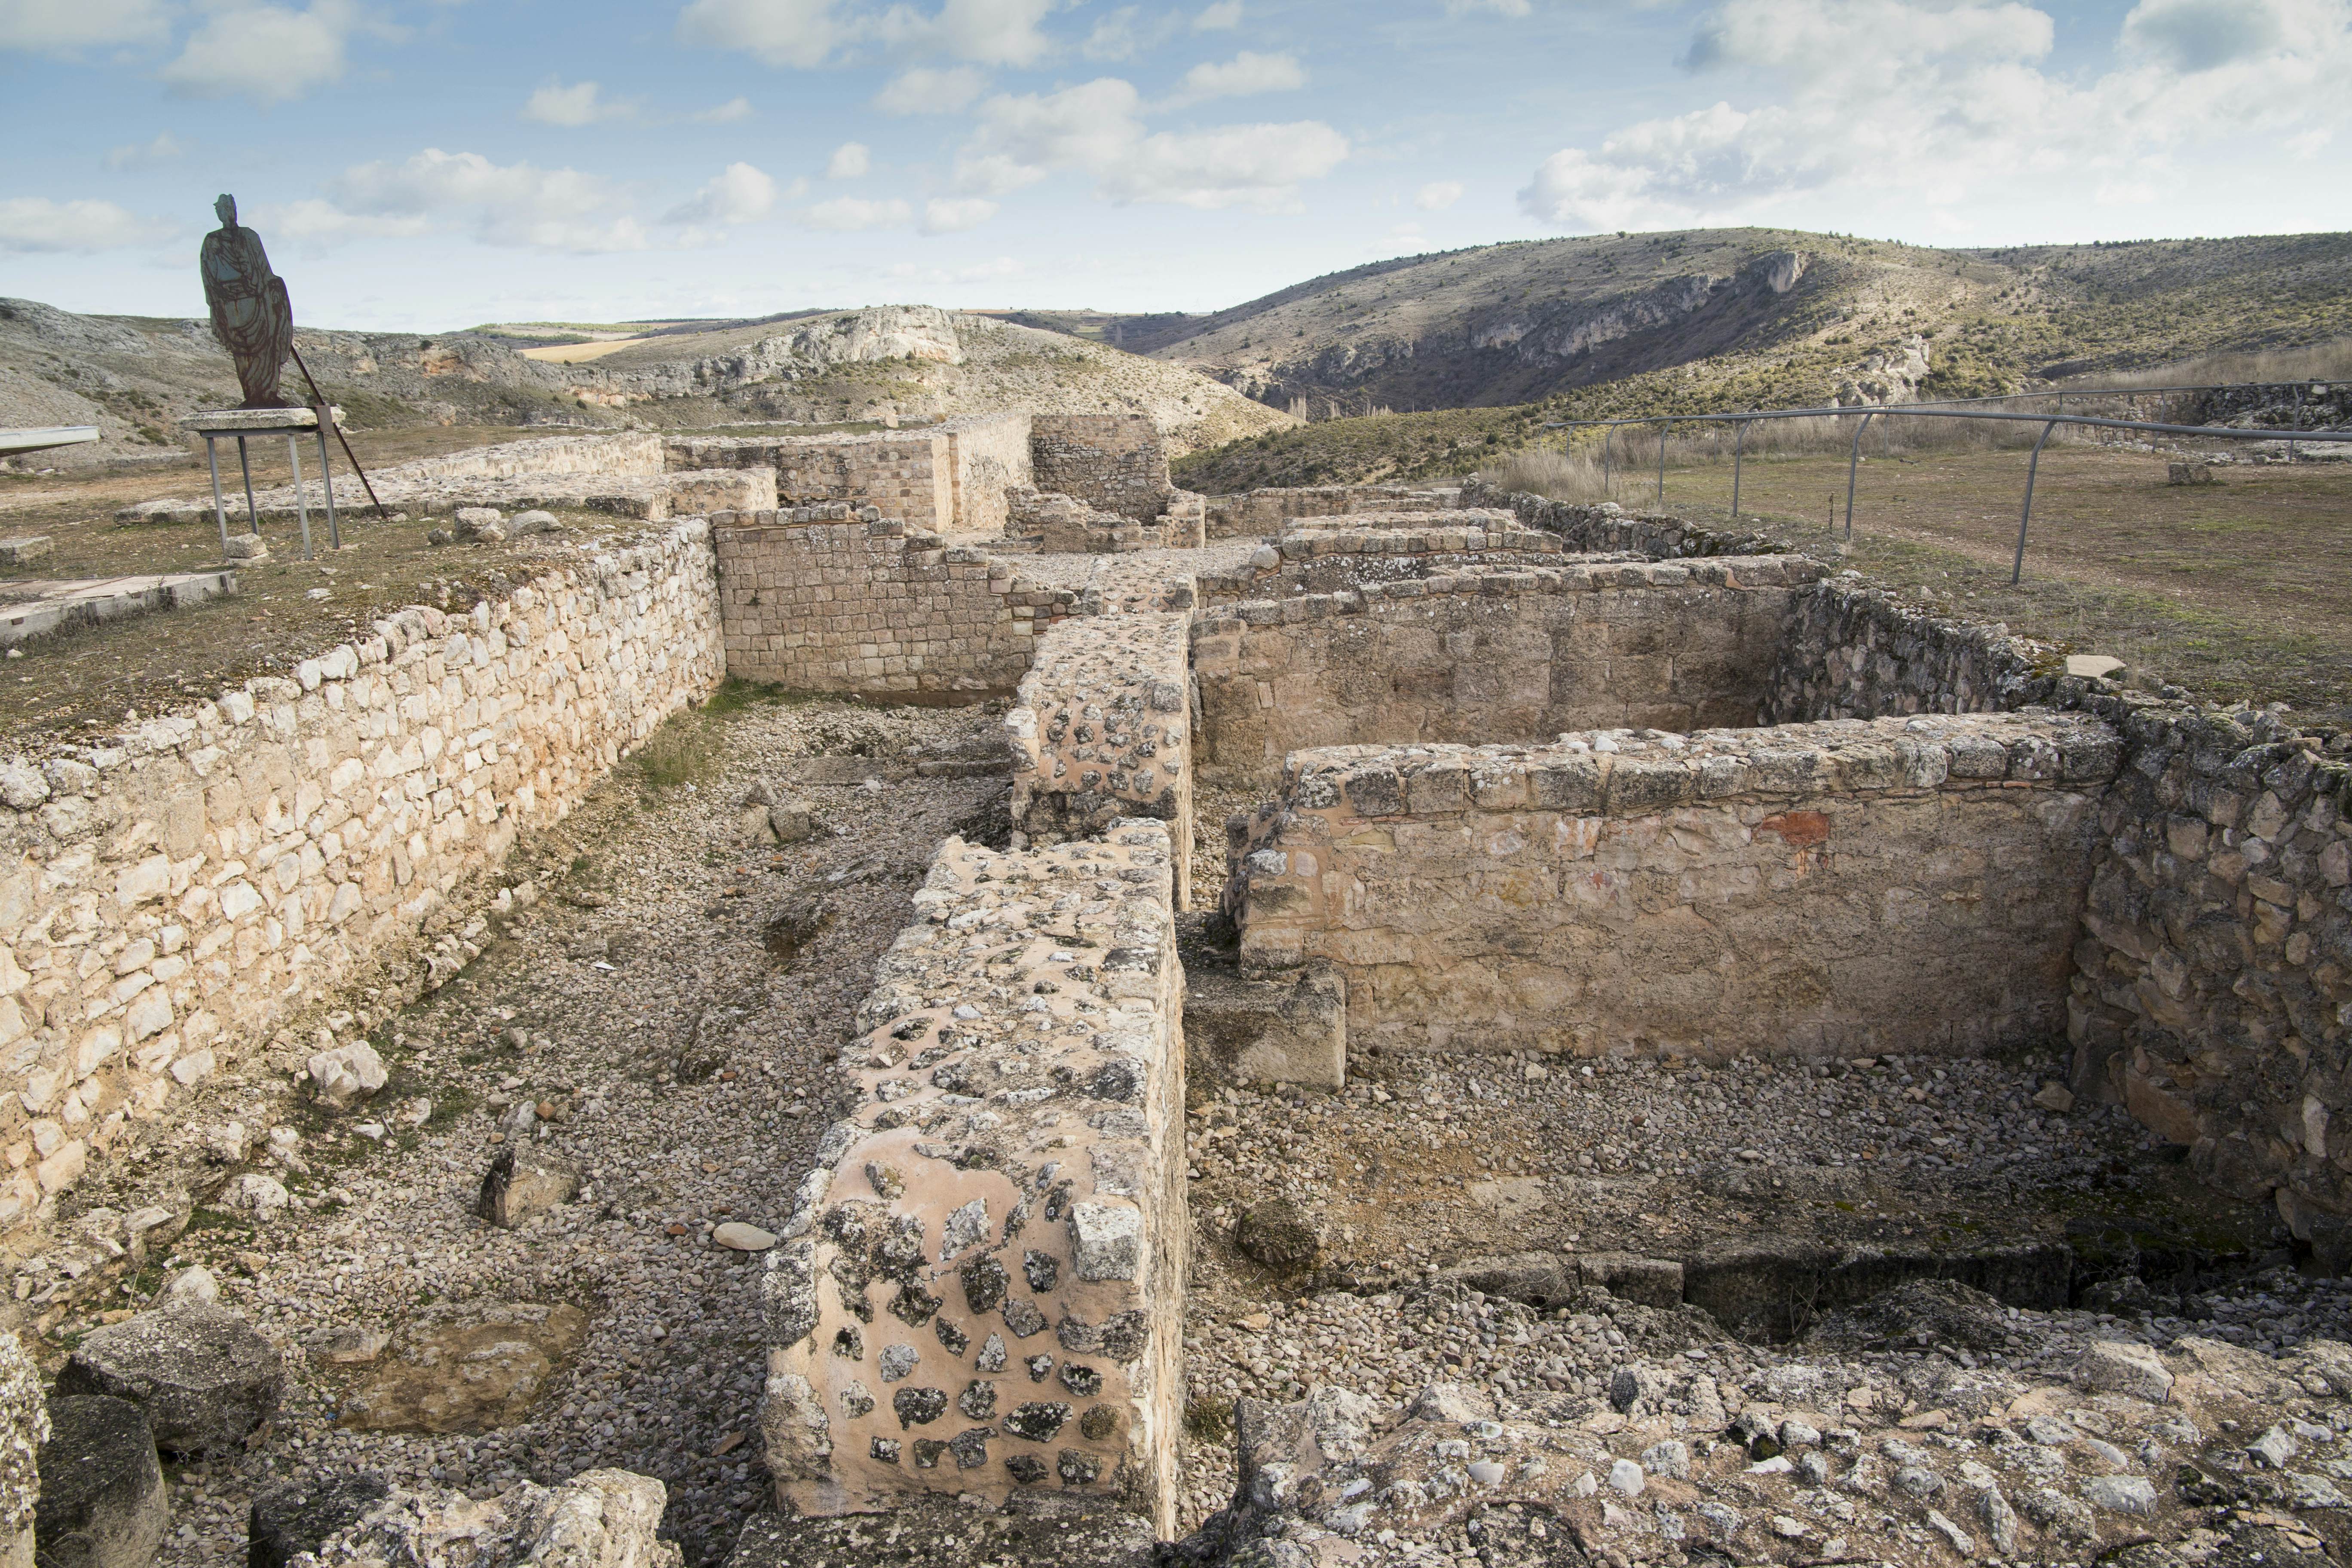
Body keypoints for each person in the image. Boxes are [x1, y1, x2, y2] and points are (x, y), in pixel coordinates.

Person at [200, 194, 294, 409]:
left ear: (234, 210)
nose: (225, 213)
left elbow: (264, 269)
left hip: (257, 303)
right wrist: (218, 301)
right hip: (230, 306)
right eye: (220, 210)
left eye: (227, 208)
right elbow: (208, 275)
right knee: (242, 354)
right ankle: (252, 395)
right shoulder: (212, 240)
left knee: (265, 349)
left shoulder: (249, 236)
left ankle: (268, 395)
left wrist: (272, 289)